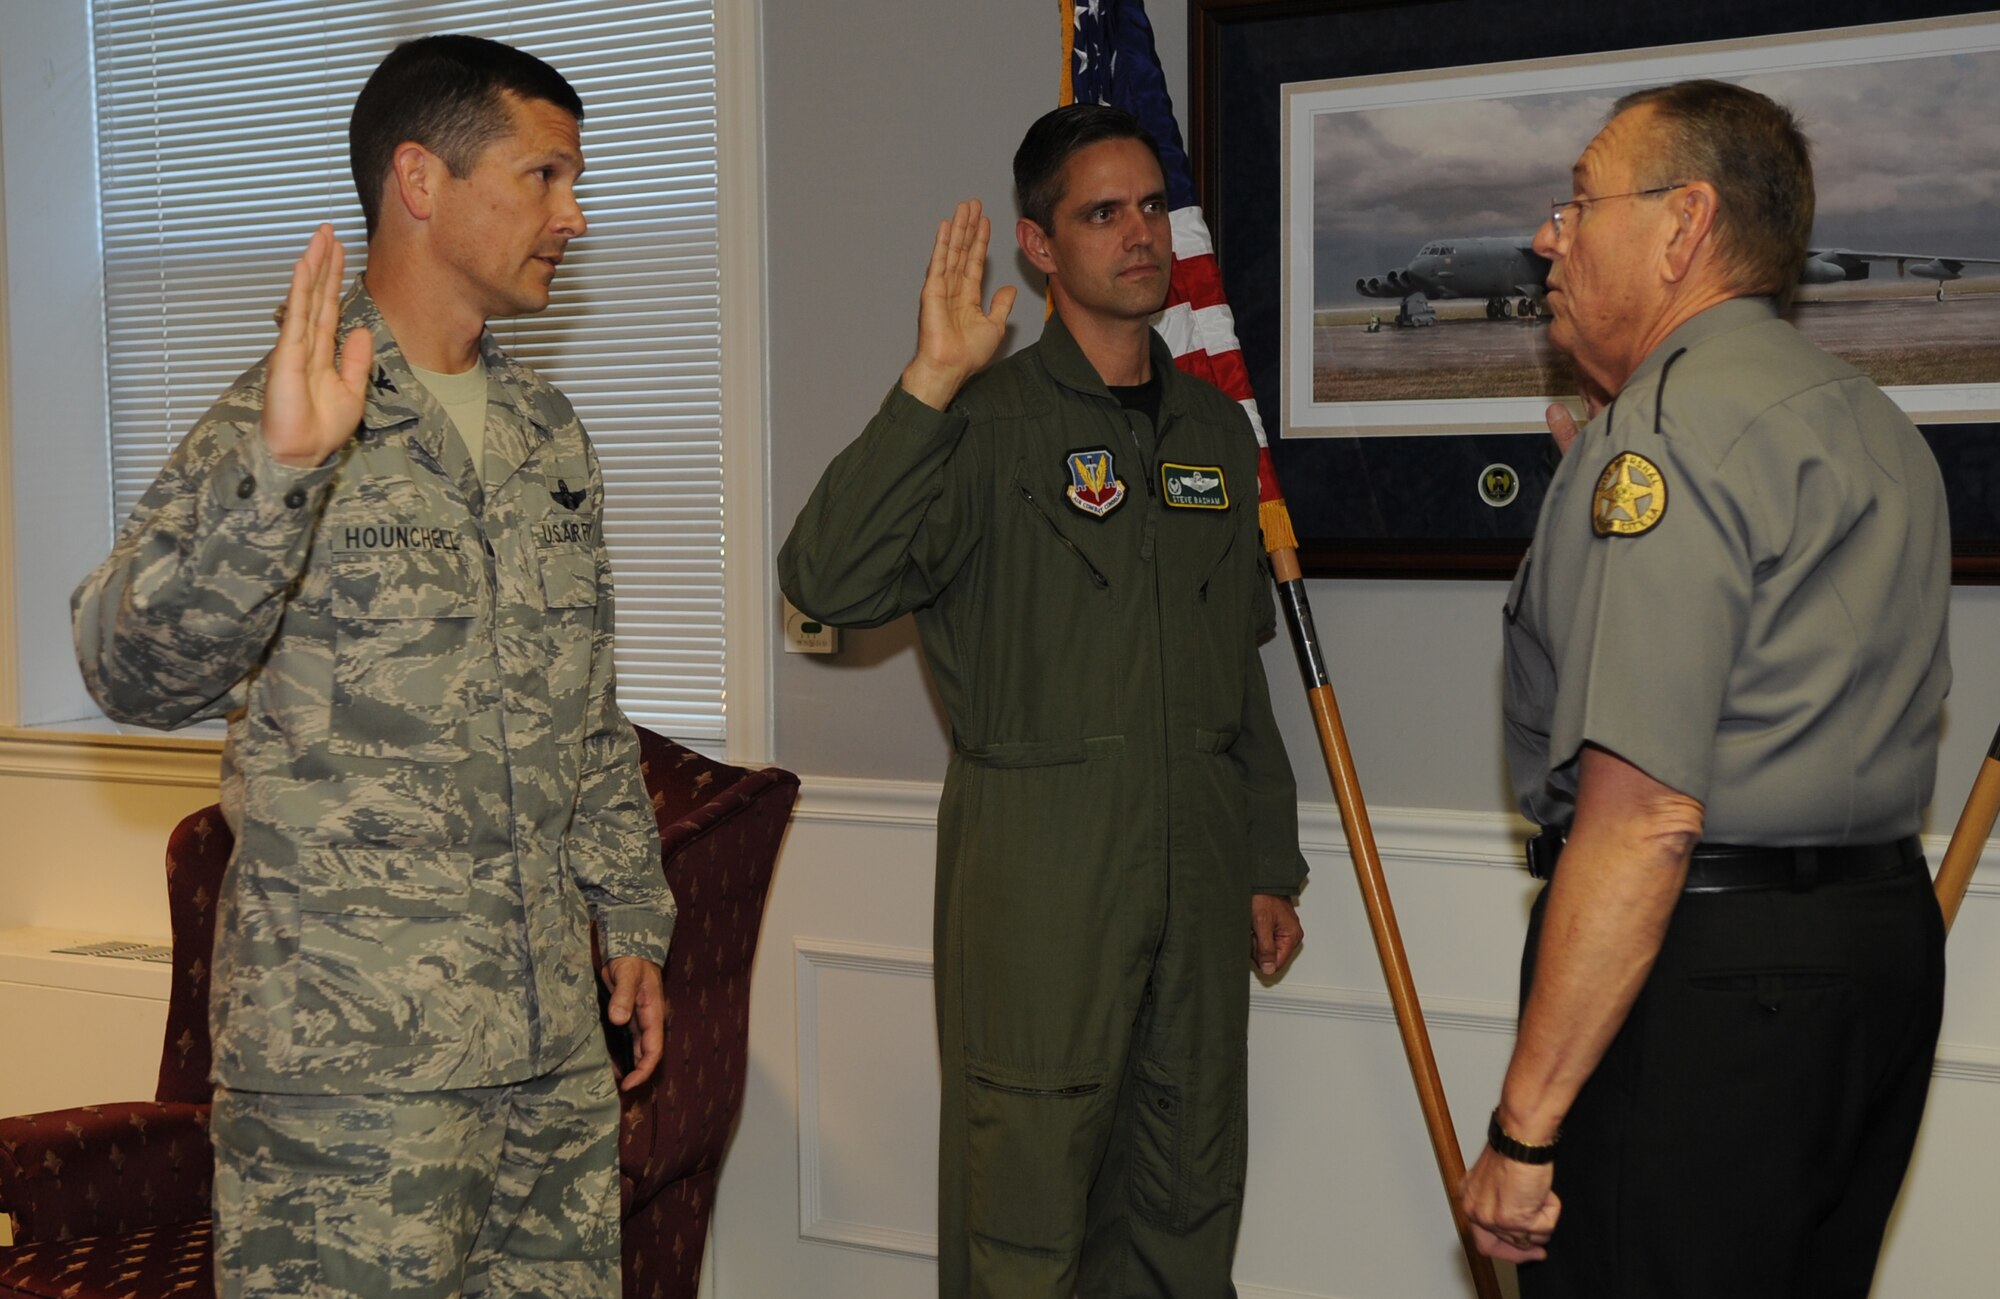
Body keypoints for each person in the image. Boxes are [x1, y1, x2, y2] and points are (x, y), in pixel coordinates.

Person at [72, 35, 674, 1298]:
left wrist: (630, 913)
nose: (575, 214)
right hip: (351, 1073)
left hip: (549, 1055)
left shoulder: (545, 432)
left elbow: (587, 703)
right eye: (546, 175)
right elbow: (126, 670)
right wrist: (281, 479)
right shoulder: (277, 415)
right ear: (422, 179)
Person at [778, 103, 1308, 1298]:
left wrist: (1266, 859)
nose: (1137, 234)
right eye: (1100, 212)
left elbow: (1237, 664)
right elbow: (826, 582)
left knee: (1185, 1189)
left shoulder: (1212, 429)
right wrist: (926, 380)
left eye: (1149, 209)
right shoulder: (980, 423)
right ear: (1037, 245)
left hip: (1198, 867)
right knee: (1027, 1205)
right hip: (1042, 879)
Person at [1460, 80, 1951, 1298]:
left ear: (1682, 225)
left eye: (1579, 199)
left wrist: (1523, 1133)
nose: (1545, 235)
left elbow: (1643, 819)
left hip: (1704, 981)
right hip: (1878, 944)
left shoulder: (1666, 440)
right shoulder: (1867, 419)